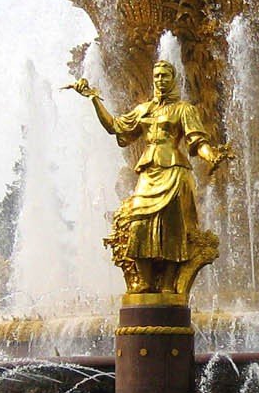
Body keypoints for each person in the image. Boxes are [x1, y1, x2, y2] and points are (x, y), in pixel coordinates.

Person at [71, 59, 231, 295]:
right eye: (156, 76)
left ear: (173, 79)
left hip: (175, 171)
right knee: (138, 222)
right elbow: (115, 126)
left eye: (165, 76)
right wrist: (94, 97)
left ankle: (168, 283)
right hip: (149, 171)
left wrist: (212, 155)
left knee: (172, 227)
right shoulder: (143, 109)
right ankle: (145, 280)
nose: (160, 80)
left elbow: (197, 141)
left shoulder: (184, 109)